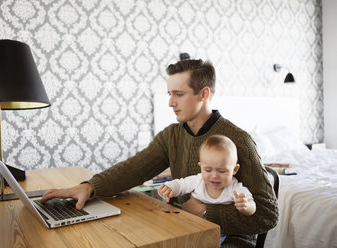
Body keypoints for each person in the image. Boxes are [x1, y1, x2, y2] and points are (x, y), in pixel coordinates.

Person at [41, 59, 278, 247]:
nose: (171, 103)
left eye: (179, 94)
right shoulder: (172, 135)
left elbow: (268, 215)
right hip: (183, 226)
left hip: (229, 240)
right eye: (169, 94)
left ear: (203, 94)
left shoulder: (239, 140)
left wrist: (208, 210)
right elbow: (134, 168)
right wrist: (90, 186)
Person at [158, 134, 256, 244]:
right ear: (201, 167)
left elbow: (252, 206)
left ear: (235, 169)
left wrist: (246, 206)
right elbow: (181, 184)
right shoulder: (198, 180)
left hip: (220, 232)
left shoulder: (234, 188)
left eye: (222, 171)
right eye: (208, 170)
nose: (214, 176)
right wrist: (169, 188)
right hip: (192, 224)